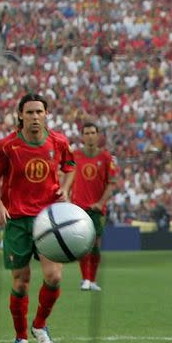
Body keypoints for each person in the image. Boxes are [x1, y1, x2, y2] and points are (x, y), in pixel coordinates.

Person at [0, 93, 75, 343]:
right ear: (20, 115)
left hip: (49, 221)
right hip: (18, 220)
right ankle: (20, 336)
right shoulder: (7, 147)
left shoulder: (59, 141)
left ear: (46, 114)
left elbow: (70, 166)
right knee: (21, 281)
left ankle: (40, 325)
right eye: (30, 112)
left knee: (54, 276)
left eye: (39, 112)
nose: (35, 117)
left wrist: (65, 190)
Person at [70, 120, 117, 292]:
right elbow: (65, 177)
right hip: (78, 208)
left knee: (96, 245)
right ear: (82, 137)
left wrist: (100, 203)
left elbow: (111, 184)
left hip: (97, 209)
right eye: (86, 133)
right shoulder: (74, 156)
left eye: (92, 133)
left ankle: (93, 280)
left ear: (98, 135)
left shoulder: (106, 158)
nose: (90, 136)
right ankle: (85, 279)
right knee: (83, 245)